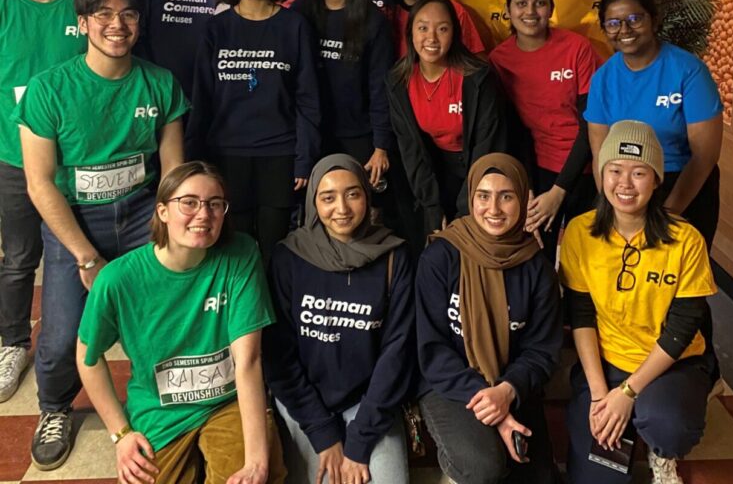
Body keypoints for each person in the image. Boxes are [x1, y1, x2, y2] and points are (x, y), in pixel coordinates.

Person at [12, 0, 188, 470]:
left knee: (154, 316)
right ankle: (55, 407)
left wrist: (167, 231)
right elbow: (40, 183)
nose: (118, 25)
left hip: (141, 214)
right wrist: (85, 255)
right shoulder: (50, 89)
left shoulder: (159, 82)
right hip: (75, 221)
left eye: (128, 15)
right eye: (104, 16)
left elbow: (172, 170)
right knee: (65, 329)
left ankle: (160, 403)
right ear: (83, 23)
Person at [76, 161, 285, 484]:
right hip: (160, 411)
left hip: (228, 403)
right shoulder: (118, 279)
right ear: (162, 211)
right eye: (189, 203)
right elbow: (87, 358)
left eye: (215, 204)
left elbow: (249, 360)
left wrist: (258, 461)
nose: (204, 214)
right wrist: (122, 434)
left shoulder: (241, 254)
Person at [560, 120, 718, 484]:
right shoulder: (581, 233)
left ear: (657, 179)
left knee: (668, 425)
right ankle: (623, 418)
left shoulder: (685, 240)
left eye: (639, 172)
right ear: (602, 175)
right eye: (615, 171)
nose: (625, 184)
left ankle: (661, 452)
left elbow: (683, 327)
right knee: (597, 477)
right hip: (607, 362)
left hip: (669, 365)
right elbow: (580, 314)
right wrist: (602, 395)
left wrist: (629, 392)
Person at [263, 154, 413, 484]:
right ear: (313, 201)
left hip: (369, 402)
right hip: (306, 402)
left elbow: (397, 353)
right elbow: (278, 359)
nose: (341, 208)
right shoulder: (289, 257)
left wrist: (359, 441)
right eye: (328, 197)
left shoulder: (393, 256)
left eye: (353, 194)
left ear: (367, 196)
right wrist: (322, 432)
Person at [416, 153, 561, 484]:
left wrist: (507, 392)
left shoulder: (536, 268)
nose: (493, 209)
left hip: (512, 382)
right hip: (450, 384)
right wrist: (490, 406)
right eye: (483, 196)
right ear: (471, 197)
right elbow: (431, 348)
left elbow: (542, 350)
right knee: (484, 468)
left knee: (539, 477)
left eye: (506, 196)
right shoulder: (441, 257)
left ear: (523, 200)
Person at [185, 0, 321, 268]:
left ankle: (275, 320)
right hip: (227, 156)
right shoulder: (216, 29)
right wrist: (195, 161)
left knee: (276, 250)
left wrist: (304, 159)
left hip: (280, 155)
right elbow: (202, 100)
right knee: (233, 249)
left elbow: (308, 100)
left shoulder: (295, 27)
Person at [0, 0, 87, 405]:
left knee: (71, 255)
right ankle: (13, 342)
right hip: (13, 160)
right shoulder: (4, 11)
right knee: (17, 258)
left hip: (76, 164)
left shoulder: (83, 9)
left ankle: (76, 342)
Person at [585, 0, 723, 250]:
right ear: (605, 30)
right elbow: (600, 156)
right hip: (626, 190)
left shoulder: (688, 71)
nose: (624, 30)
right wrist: (616, 211)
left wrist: (667, 214)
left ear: (654, 19)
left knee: (679, 282)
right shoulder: (603, 79)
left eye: (634, 19)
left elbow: (705, 157)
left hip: (681, 185)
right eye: (613, 23)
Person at [490, 0, 601, 262]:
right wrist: (527, 187)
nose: (530, 11)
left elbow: (591, 123)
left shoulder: (577, 48)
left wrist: (559, 191)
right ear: (509, 10)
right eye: (521, 3)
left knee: (585, 260)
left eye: (539, 3)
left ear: (551, 8)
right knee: (537, 256)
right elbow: (510, 132)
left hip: (585, 168)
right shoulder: (500, 60)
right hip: (536, 171)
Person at [386, 0, 507, 243]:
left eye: (442, 29)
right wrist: (432, 205)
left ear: (454, 33)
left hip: (478, 170)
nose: (431, 38)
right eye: (422, 28)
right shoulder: (398, 80)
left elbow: (486, 145)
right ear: (410, 33)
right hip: (433, 170)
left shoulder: (478, 77)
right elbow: (411, 150)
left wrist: (466, 209)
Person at [296, 0, 394, 188]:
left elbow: (380, 87)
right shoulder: (298, 13)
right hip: (307, 135)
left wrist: (381, 145)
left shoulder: (373, 20)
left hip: (358, 135)